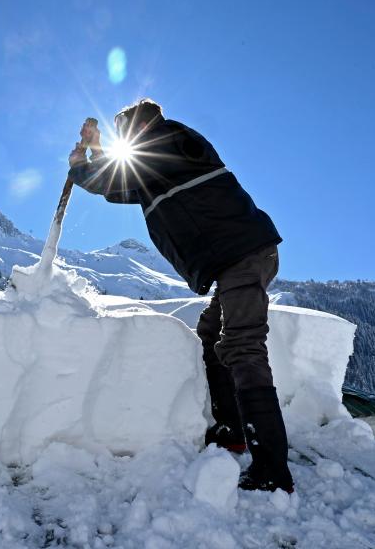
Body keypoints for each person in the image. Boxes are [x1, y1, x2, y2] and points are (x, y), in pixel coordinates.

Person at [68, 98, 294, 493]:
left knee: (243, 348)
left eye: (125, 132)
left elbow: (114, 178)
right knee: (211, 335)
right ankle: (233, 431)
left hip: (240, 254)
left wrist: (82, 163)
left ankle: (272, 469)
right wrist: (96, 151)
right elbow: (121, 183)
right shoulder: (165, 153)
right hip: (237, 257)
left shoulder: (170, 140)